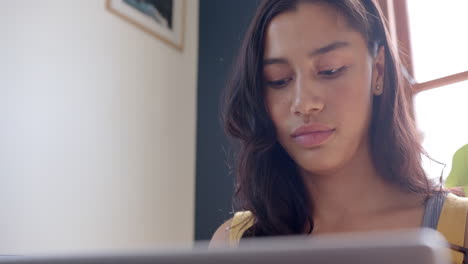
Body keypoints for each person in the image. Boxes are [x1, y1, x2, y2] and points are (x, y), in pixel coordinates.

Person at [210, 0, 468, 263]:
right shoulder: (232, 244)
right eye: (279, 80)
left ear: (378, 71)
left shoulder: (461, 227)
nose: (304, 103)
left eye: (330, 70)